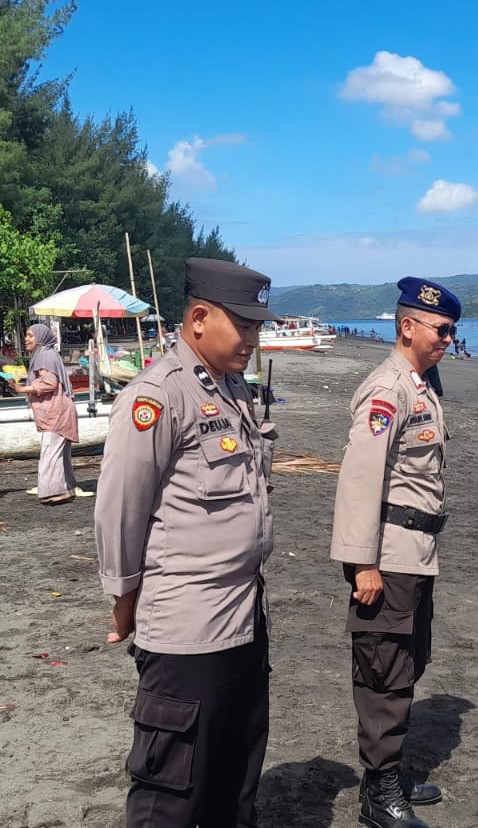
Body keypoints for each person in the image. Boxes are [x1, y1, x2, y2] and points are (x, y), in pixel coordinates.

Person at [95, 257, 280, 827]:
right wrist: (125, 599)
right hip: (187, 631)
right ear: (198, 318)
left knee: (234, 777)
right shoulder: (158, 396)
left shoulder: (230, 387)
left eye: (257, 326)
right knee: (171, 793)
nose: (254, 338)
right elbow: (121, 509)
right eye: (243, 325)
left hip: (244, 617)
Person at [330, 276, 462, 828]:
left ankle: (388, 777)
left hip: (417, 550)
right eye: (442, 330)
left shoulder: (424, 383)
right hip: (388, 553)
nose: (449, 340)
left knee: (408, 663)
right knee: (384, 671)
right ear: (407, 326)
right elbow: (361, 481)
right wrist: (363, 564)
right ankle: (380, 794)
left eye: (453, 331)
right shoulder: (389, 390)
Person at [7, 323, 87, 504]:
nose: (26, 339)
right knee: (59, 452)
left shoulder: (44, 355)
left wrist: (22, 389)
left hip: (55, 411)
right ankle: (67, 487)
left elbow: (49, 383)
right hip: (59, 410)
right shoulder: (47, 354)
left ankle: (55, 491)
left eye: (30, 336)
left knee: (50, 452)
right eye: (26, 335)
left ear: (41, 338)